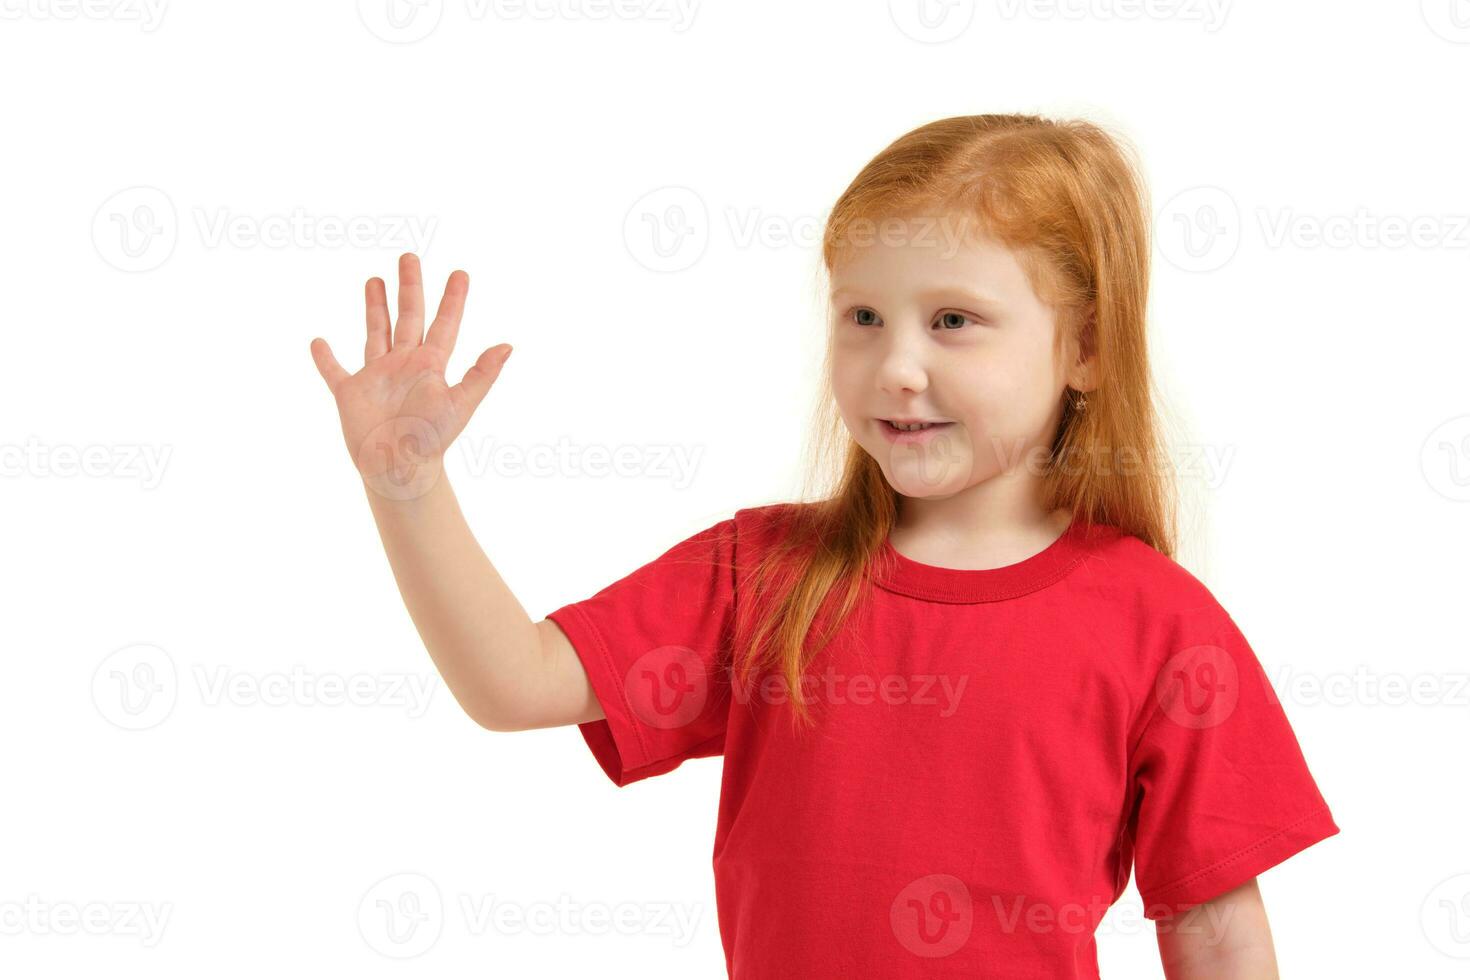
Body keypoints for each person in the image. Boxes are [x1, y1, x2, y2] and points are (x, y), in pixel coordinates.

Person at [309, 113, 1339, 979]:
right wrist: (409, 488)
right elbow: (515, 682)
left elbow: (1212, 926)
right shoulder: (765, 575)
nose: (895, 365)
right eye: (863, 315)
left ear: (1084, 348)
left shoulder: (1159, 623)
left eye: (952, 320)